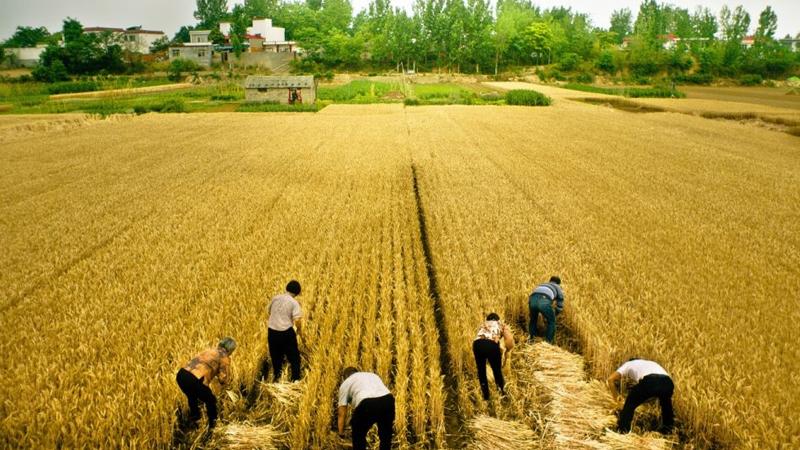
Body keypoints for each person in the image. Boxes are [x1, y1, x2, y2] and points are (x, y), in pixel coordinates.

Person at [175, 337, 236, 431]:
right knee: (211, 400)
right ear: (231, 349)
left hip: (182, 375)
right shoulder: (224, 357)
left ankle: (195, 424)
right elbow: (223, 379)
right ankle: (213, 427)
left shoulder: (210, 350)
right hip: (195, 379)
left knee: (192, 397)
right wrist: (226, 384)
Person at [607, 358, 674, 434]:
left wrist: (617, 399)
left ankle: (623, 430)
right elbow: (655, 389)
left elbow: (610, 379)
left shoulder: (628, 364)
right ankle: (668, 430)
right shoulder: (651, 363)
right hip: (668, 382)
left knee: (630, 402)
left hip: (651, 380)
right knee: (666, 405)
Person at [337, 367, 395, 450]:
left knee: (358, 433)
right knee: (385, 436)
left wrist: (341, 433)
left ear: (344, 377)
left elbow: (341, 413)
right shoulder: (372, 375)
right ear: (357, 372)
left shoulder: (346, 382)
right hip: (388, 400)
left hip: (367, 403)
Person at [473, 313, 515, 400]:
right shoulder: (501, 324)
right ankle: (502, 393)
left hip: (477, 344)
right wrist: (508, 350)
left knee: (481, 371)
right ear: (498, 320)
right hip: (491, 345)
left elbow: (481, 338)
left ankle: (486, 396)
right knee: (497, 370)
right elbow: (510, 340)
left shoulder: (483, 325)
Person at [267, 280, 303, 381]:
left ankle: (277, 377)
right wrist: (299, 330)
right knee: (294, 357)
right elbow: (297, 319)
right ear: (297, 292)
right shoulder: (294, 303)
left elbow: (269, 311)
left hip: (272, 331)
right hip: (286, 333)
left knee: (275, 356)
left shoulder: (275, 298)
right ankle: (295, 379)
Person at [528, 276, 564, 343]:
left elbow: (533, 294)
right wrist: (555, 313)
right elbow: (560, 300)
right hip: (544, 300)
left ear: (550, 281)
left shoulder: (542, 284)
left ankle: (532, 339)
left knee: (533, 320)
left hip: (532, 299)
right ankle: (548, 342)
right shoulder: (558, 287)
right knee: (551, 321)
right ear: (558, 283)